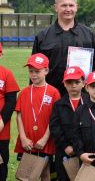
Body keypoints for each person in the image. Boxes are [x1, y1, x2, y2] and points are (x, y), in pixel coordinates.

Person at [32, 0, 95, 96]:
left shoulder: (89, 35)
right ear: (56, 7)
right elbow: (34, 68)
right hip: (49, 95)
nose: (68, 9)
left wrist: (90, 84)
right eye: (63, 5)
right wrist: (34, 92)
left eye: (71, 5)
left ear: (76, 7)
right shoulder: (43, 36)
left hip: (82, 96)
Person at [15, 53, 61, 181]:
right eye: (31, 71)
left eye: (37, 71)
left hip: (44, 141)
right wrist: (23, 137)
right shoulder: (24, 93)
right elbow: (19, 116)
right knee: (26, 174)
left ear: (46, 71)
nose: (33, 74)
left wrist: (45, 138)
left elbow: (55, 118)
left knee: (44, 172)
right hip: (27, 141)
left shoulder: (53, 92)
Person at [50, 66, 88, 181]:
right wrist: (65, 146)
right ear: (64, 84)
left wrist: (82, 148)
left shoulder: (89, 102)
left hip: (86, 151)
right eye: (69, 82)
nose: (73, 85)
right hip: (65, 151)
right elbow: (55, 127)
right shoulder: (59, 105)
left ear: (83, 83)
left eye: (77, 82)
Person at [0, 43, 20, 180]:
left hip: (1, 128)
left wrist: (1, 120)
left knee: (2, 162)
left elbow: (11, 101)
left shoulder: (6, 73)